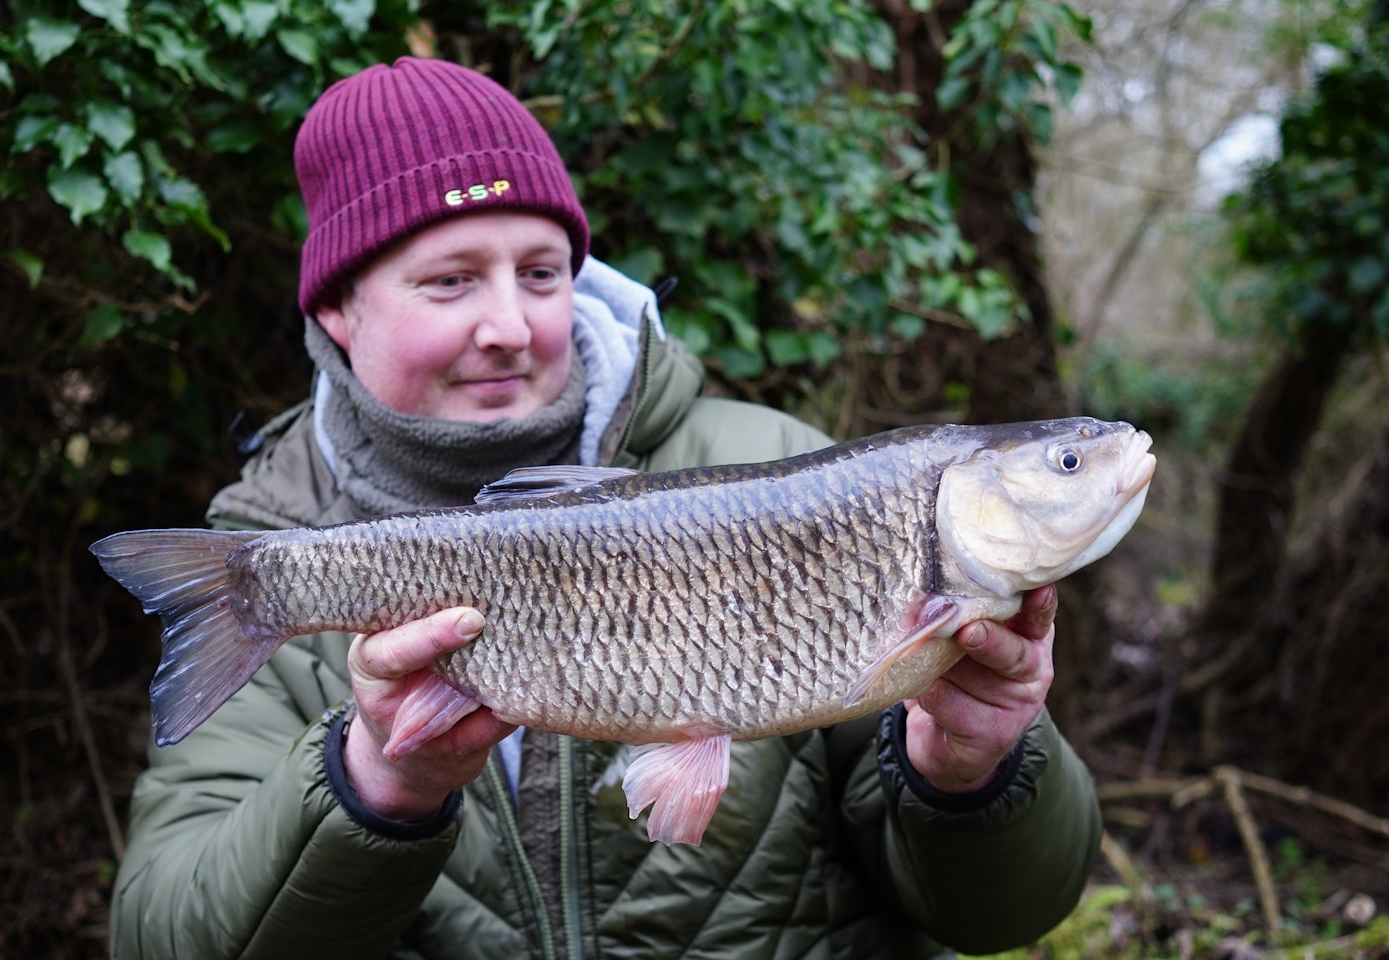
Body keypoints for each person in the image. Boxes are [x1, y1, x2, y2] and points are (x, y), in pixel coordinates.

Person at [109, 57, 1101, 960]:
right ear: (336, 307)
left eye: (541, 274)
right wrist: (379, 783)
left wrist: (969, 772)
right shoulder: (268, 552)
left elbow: (1002, 919)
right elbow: (158, 939)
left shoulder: (795, 469)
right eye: (450, 281)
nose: (508, 325)